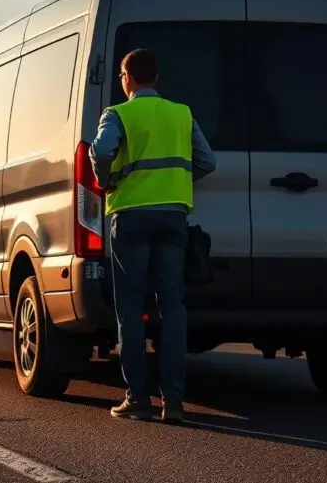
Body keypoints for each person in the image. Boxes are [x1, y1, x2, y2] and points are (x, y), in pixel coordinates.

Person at [88, 48, 216, 424]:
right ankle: (173, 403)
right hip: (174, 217)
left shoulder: (117, 114)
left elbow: (101, 151)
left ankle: (137, 400)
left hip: (130, 218)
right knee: (173, 308)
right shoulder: (182, 114)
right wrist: (174, 182)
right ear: (156, 78)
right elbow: (207, 161)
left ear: (126, 78)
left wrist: (108, 180)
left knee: (130, 310)